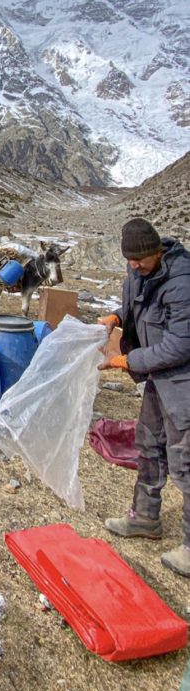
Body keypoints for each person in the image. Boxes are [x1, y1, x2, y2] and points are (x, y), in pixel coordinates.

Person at [98, 217, 190, 577]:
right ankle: (146, 518)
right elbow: (141, 308)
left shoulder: (182, 281)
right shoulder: (140, 270)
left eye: (140, 260)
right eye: (130, 261)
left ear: (156, 251)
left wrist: (128, 360)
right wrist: (116, 316)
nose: (134, 266)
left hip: (183, 381)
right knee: (149, 444)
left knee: (185, 460)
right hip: (159, 378)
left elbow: (180, 344)